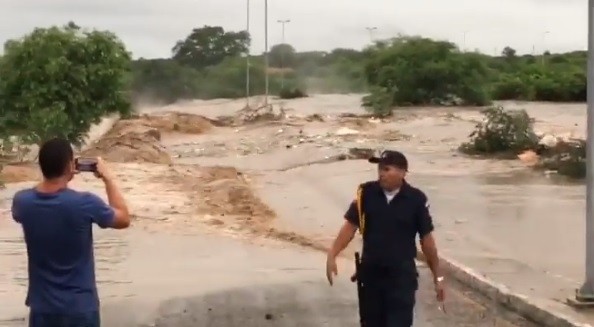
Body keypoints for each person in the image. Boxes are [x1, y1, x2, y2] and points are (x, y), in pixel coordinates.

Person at [11, 138, 131, 327]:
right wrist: (108, 178)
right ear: (70, 165)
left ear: (41, 166)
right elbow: (123, 219)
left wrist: (57, 173)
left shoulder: (22, 202)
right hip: (80, 308)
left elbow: (39, 191)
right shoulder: (85, 203)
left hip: (42, 309)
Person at [326, 150, 444, 327]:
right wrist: (332, 254)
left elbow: (427, 241)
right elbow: (350, 227)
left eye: (387, 169)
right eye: (380, 168)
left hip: (401, 278)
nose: (381, 173)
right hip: (371, 276)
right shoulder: (366, 194)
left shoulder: (416, 199)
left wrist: (438, 277)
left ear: (403, 172)